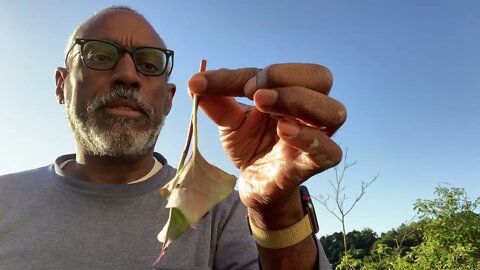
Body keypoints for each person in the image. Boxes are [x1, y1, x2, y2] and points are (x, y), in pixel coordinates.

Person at [0, 5, 346, 270]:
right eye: (100, 55)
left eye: (149, 64)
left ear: (169, 99)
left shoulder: (225, 212)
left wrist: (279, 212)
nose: (127, 75)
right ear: (61, 85)